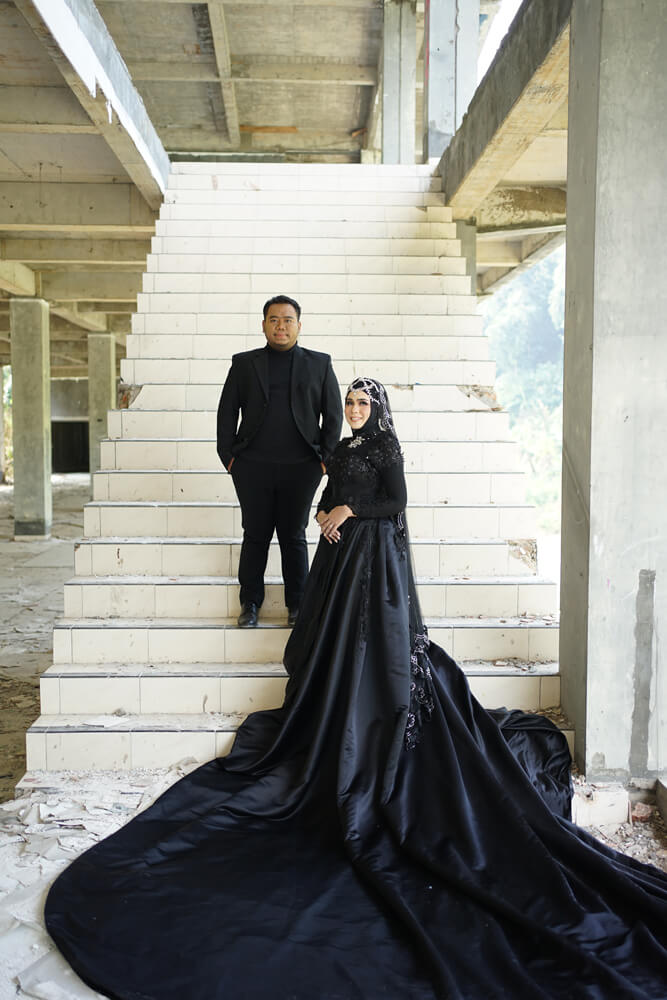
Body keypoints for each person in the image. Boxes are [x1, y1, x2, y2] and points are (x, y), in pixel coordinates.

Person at [45, 378, 667, 1000]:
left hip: (377, 560)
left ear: (379, 408)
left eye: (363, 403)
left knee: (379, 649)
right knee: (332, 648)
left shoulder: (387, 446)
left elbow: (395, 502)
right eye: (350, 402)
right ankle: (334, 711)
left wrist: (350, 513)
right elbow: (330, 491)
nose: (354, 410)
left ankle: (376, 714)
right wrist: (325, 512)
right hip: (340, 559)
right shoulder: (342, 449)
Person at [216, 294, 342, 628]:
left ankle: (298, 605)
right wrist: (230, 458)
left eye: (287, 320)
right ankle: (250, 604)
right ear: (263, 325)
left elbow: (333, 415)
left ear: (299, 325)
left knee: (294, 535)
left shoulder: (320, 363)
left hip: (302, 467)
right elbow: (226, 412)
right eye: (274, 320)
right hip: (251, 466)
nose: (280, 326)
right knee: (255, 534)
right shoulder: (244, 364)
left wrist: (324, 461)